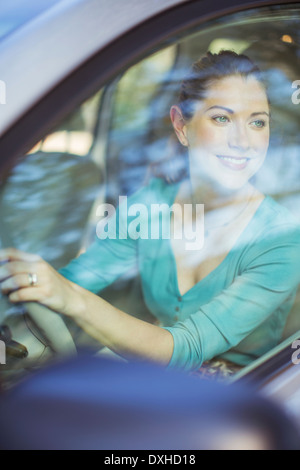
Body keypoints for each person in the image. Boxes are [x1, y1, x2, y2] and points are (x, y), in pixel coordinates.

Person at [0, 50, 299, 372]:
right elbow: (77, 279)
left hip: (245, 394)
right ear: (181, 125)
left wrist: (70, 298)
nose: (243, 141)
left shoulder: (282, 239)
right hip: (154, 380)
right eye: (222, 118)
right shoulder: (152, 203)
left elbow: (185, 349)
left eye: (257, 122)